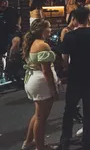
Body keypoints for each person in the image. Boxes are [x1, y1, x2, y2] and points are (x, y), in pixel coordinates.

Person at [58, 7, 90, 150]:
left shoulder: (69, 36)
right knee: (88, 109)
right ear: (88, 18)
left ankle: (65, 140)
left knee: (69, 109)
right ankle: (87, 141)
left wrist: (68, 69)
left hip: (75, 76)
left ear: (75, 19)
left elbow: (64, 59)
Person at [22, 19, 58, 150]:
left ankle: (29, 142)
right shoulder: (43, 45)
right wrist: (54, 90)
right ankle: (40, 147)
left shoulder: (33, 43)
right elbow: (46, 71)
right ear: (42, 30)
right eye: (49, 27)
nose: (51, 29)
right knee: (41, 118)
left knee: (37, 115)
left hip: (33, 81)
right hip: (41, 83)